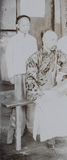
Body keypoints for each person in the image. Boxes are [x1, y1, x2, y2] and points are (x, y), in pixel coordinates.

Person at [26, 30, 67, 148]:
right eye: (52, 40)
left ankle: (57, 134)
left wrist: (61, 73)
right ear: (44, 40)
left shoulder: (57, 53)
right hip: (42, 92)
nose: (55, 42)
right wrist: (37, 95)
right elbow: (30, 79)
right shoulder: (34, 57)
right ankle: (50, 138)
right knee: (49, 111)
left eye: (56, 39)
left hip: (56, 91)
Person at [5, 15, 38, 144]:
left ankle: (31, 128)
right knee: (19, 102)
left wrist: (35, 74)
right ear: (17, 26)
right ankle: (17, 129)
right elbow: (9, 58)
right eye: (23, 25)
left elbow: (35, 57)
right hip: (18, 74)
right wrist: (11, 75)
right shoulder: (13, 40)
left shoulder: (32, 39)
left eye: (28, 25)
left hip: (30, 75)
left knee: (31, 101)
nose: (26, 27)